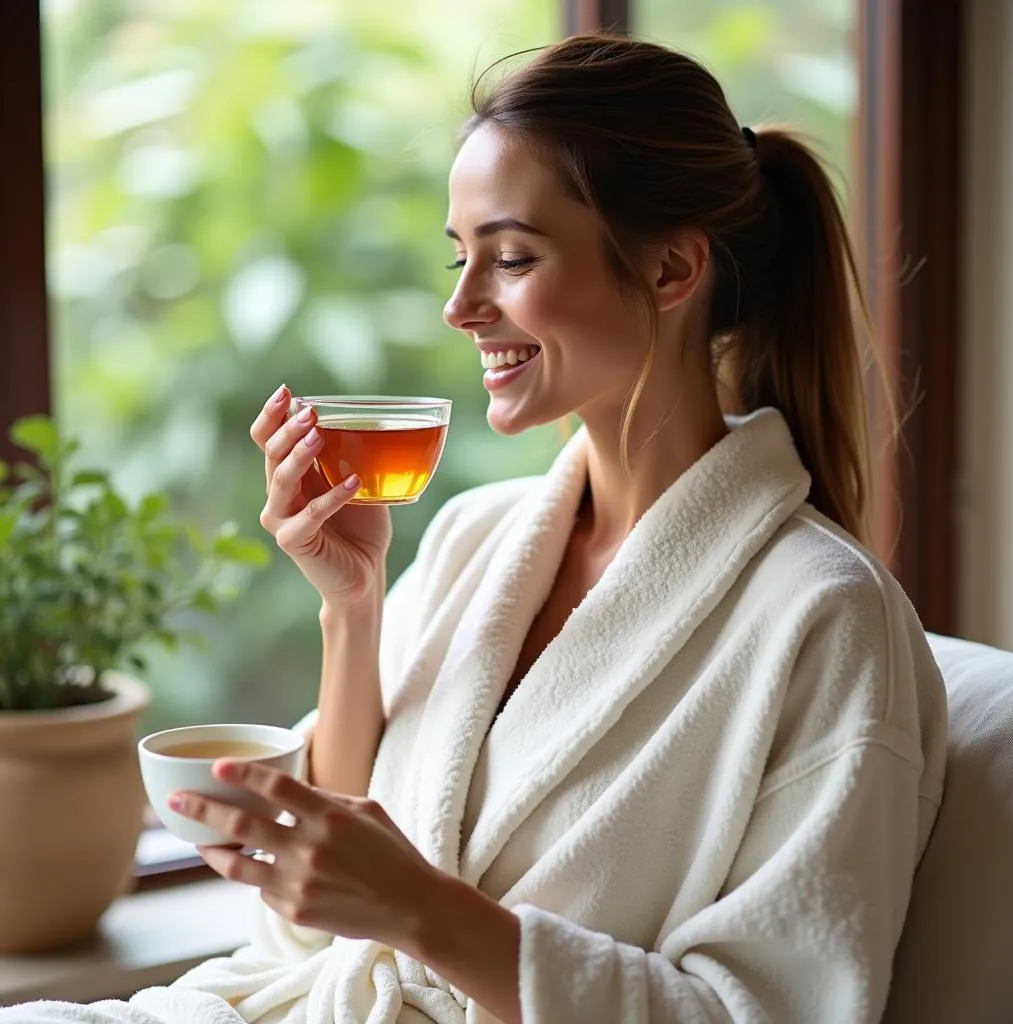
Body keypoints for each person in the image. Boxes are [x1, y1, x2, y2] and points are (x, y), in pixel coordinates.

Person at [5, 34, 946, 1024]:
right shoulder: (475, 539)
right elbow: (313, 938)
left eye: (509, 257)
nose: (461, 305)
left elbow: (762, 1010)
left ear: (671, 268)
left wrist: (421, 910)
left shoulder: (824, 619)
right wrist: (351, 608)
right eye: (460, 258)